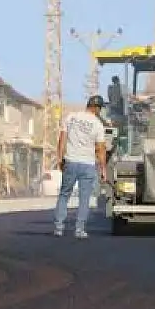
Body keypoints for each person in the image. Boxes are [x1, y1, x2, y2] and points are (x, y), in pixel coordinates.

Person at [52, 95, 108, 239]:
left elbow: (62, 139)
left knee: (64, 194)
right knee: (84, 199)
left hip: (70, 161)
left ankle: (59, 227)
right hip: (88, 165)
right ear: (97, 108)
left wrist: (60, 158)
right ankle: (79, 230)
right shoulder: (97, 124)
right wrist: (103, 169)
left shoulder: (71, 117)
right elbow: (101, 149)